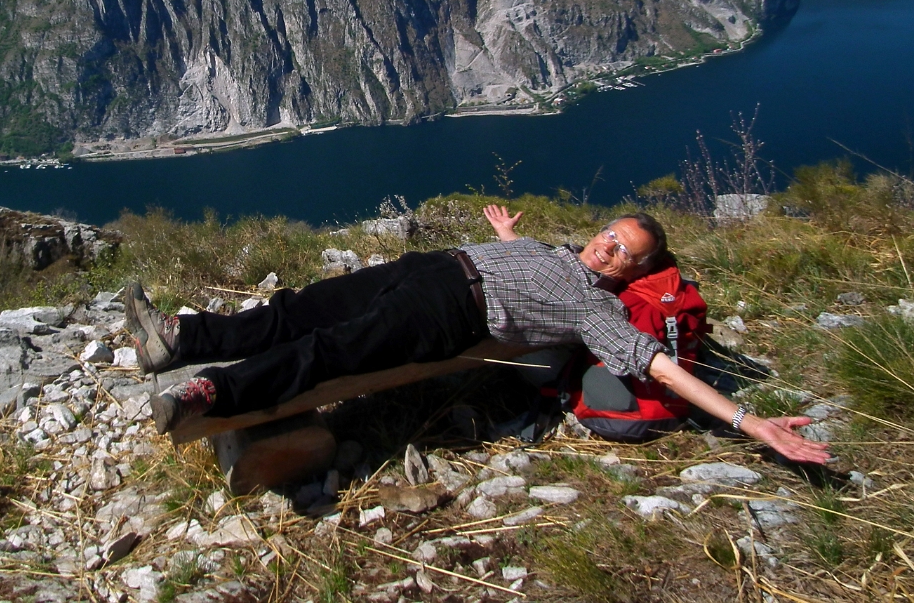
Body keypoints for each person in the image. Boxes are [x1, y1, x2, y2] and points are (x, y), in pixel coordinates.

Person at [124, 207, 830, 464]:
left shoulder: (597, 310)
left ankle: (211, 392)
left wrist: (751, 421)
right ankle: (180, 338)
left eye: (624, 253)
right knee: (296, 308)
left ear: (638, 272)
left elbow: (660, 367)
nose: (606, 249)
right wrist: (508, 239)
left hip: (451, 313)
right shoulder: (564, 255)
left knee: (330, 353)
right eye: (608, 235)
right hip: (432, 267)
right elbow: (532, 263)